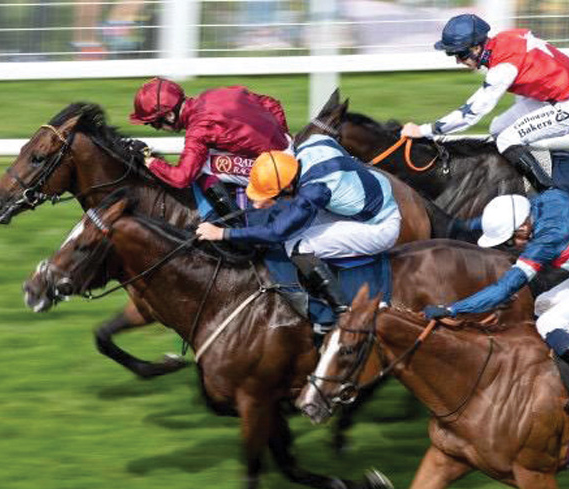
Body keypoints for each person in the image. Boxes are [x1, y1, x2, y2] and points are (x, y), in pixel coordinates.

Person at [423, 191, 569, 411]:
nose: (514, 245)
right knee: (542, 304)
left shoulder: (547, 239)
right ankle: (567, 353)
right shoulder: (543, 201)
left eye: (511, 241)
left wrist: (453, 308)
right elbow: (507, 213)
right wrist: (465, 226)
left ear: (523, 228)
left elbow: (504, 288)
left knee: (548, 324)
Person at [195, 134, 402, 312]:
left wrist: (222, 234)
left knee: (296, 245)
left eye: (273, 195)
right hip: (374, 194)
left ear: (286, 187)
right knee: (296, 228)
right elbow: (328, 138)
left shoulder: (313, 191)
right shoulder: (310, 145)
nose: (258, 205)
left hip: (380, 226)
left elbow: (277, 232)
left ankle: (341, 308)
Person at [399, 14, 569, 192]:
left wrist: (424, 131)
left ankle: (549, 193)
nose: (458, 61)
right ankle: (523, 178)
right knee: (498, 128)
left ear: (476, 48)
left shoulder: (503, 67)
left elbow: (472, 113)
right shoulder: (502, 40)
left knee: (507, 139)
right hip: (552, 97)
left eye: (460, 54)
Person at [129, 77, 292, 222]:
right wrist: (283, 137)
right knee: (208, 155)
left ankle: (235, 224)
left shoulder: (198, 129)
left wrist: (148, 161)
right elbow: (272, 103)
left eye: (155, 123)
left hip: (276, 170)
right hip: (288, 146)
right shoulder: (213, 94)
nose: (157, 129)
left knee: (202, 166)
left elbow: (182, 178)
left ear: (170, 115)